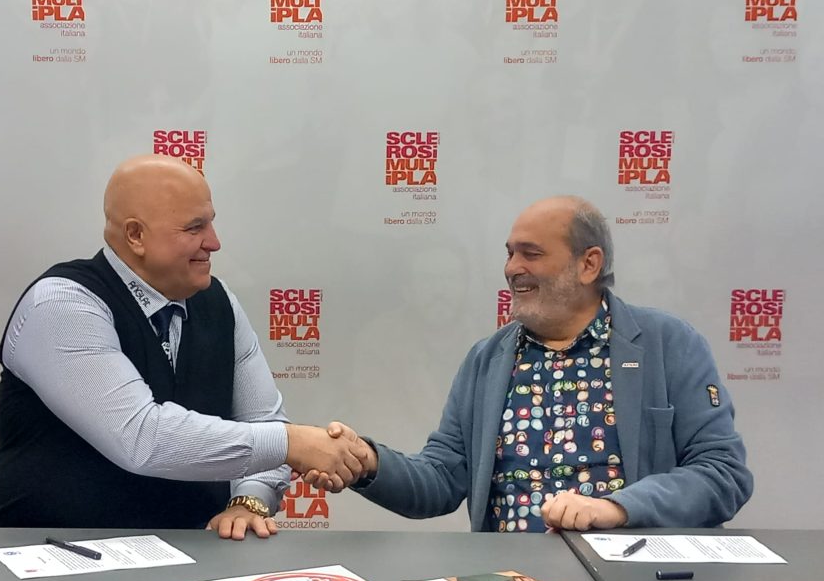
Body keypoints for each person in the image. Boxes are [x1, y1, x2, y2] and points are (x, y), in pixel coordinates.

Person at [0, 155, 365, 538]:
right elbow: (141, 438)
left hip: (188, 562)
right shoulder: (61, 304)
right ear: (136, 235)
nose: (214, 242)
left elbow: (264, 421)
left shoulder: (219, 303)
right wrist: (292, 443)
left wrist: (249, 502)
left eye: (211, 222)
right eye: (194, 228)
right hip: (46, 560)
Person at [320, 195, 753, 531]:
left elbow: (722, 474)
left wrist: (616, 508)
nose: (512, 268)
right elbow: (440, 479)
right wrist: (368, 462)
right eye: (509, 254)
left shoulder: (668, 343)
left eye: (531, 254)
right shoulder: (486, 360)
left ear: (589, 264)